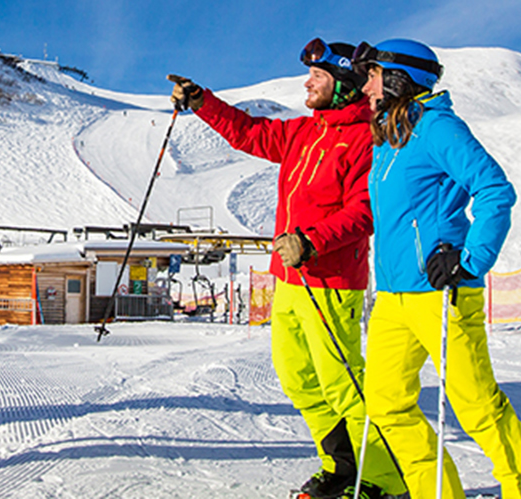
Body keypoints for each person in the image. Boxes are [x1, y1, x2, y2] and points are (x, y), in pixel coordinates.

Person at [171, 38, 394, 499]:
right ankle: (341, 465)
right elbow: (248, 132)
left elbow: (365, 211)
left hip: (331, 282)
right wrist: (202, 102)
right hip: (290, 281)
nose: (306, 83)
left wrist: (312, 242)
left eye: (317, 77)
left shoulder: (365, 139)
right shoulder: (304, 133)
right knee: (298, 378)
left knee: (343, 383)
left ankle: (385, 480)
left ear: (344, 85)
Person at [353, 38, 521, 499]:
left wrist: (470, 261)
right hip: (392, 297)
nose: (364, 85)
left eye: (371, 74)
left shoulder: (437, 127)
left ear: (396, 78)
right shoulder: (391, 137)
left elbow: (494, 190)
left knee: (477, 406)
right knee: (387, 403)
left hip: (439, 291)